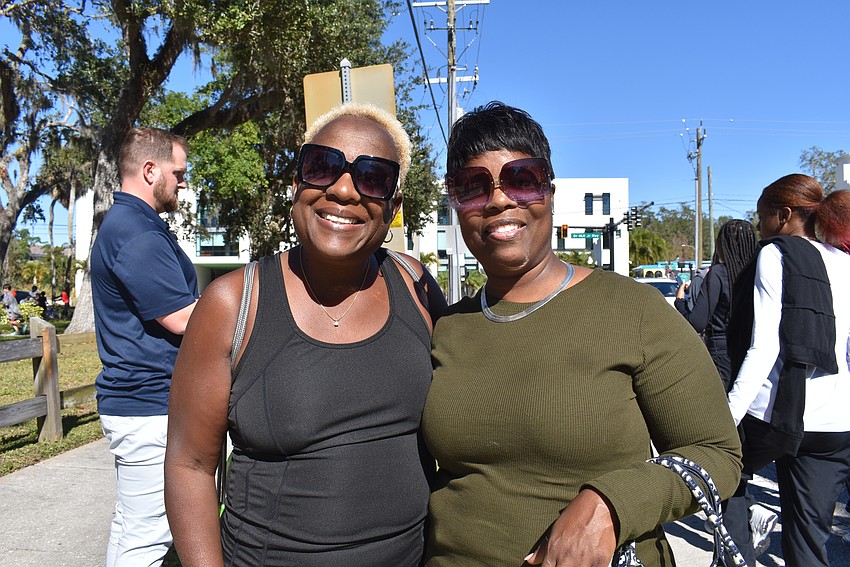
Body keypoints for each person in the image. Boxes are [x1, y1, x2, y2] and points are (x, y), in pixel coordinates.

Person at [421, 102, 742, 567]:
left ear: (549, 192)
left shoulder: (634, 311)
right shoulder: (446, 327)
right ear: (456, 205)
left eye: (521, 178)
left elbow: (718, 454)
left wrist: (613, 505)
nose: (498, 201)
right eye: (473, 186)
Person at [164, 103, 446, 567]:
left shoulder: (417, 287)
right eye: (323, 166)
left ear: (393, 207)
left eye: (373, 177)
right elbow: (189, 465)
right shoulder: (233, 303)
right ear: (296, 185)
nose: (343, 190)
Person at [725, 173, 850, 567]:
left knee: (725, 475)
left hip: (779, 416)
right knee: (809, 540)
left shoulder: (775, 254)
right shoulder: (844, 260)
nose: (759, 225)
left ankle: (741, 549)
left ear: (783, 215)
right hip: (836, 425)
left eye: (762, 216)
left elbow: (764, 347)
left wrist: (727, 416)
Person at [91, 127, 199, 567]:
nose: (183, 183)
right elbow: (182, 318)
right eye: (179, 173)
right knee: (149, 535)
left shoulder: (132, 224)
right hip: (148, 404)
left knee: (131, 525)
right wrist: (247, 307)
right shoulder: (136, 232)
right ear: (151, 170)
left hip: (140, 403)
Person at [674, 219, 759, 390]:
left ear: (723, 245)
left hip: (722, 351)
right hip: (754, 348)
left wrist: (680, 301)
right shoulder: (759, 270)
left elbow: (696, 322)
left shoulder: (718, 273)